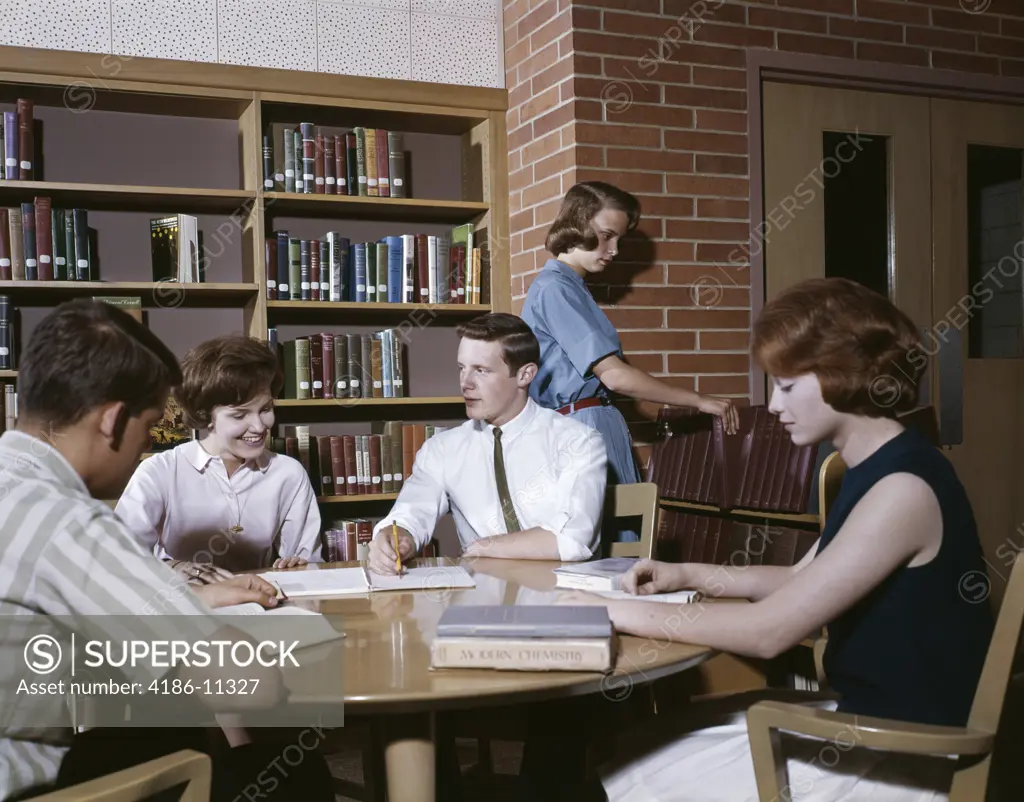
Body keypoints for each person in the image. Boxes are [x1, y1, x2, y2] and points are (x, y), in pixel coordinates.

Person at [561, 278, 995, 801]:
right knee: (629, 752)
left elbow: (770, 632)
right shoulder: (870, 466)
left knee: (625, 774)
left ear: (844, 378)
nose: (771, 403)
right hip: (861, 721)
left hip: (902, 753)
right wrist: (689, 574)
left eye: (787, 386)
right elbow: (797, 578)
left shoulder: (903, 488)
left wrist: (607, 612)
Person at [0, 299, 334, 802]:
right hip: (28, 788)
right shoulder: (70, 521)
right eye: (150, 424)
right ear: (112, 422)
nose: (146, 446)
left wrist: (193, 604)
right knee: (292, 772)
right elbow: (252, 684)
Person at [521, 181, 739, 542]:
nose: (614, 250)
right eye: (606, 236)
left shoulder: (571, 287)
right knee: (603, 553)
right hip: (582, 426)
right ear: (577, 224)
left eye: (618, 239)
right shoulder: (555, 288)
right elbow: (615, 378)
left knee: (615, 547)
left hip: (590, 422)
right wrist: (699, 400)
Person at [367, 312, 608, 574]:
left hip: (564, 598)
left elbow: (573, 540)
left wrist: (484, 547)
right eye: (462, 368)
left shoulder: (579, 442)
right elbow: (411, 512)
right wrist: (397, 538)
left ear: (525, 374)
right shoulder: (442, 449)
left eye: (481, 370)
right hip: (484, 600)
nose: (465, 383)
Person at [116, 334, 322, 574]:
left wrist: (300, 566)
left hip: (261, 601)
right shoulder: (160, 471)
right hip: (182, 602)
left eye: (265, 409)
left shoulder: (289, 473)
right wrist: (173, 568)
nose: (259, 426)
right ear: (205, 416)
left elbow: (310, 563)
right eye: (240, 415)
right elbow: (118, 559)